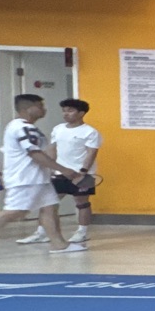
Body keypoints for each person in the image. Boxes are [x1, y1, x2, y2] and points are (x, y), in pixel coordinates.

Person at [0, 94, 87, 258]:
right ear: (29, 108)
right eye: (40, 106)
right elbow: (34, 153)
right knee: (14, 212)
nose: (44, 109)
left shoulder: (28, 128)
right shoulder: (21, 127)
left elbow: (26, 153)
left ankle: (59, 244)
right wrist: (63, 169)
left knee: (49, 208)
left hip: (39, 178)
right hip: (26, 179)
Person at [18, 98, 100, 246]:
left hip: (83, 174)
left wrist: (83, 172)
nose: (66, 114)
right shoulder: (58, 129)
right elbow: (52, 149)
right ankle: (41, 233)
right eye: (64, 110)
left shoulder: (90, 132)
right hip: (60, 173)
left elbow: (91, 153)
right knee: (47, 202)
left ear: (81, 113)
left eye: (70, 111)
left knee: (82, 203)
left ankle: (82, 232)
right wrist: (49, 167)